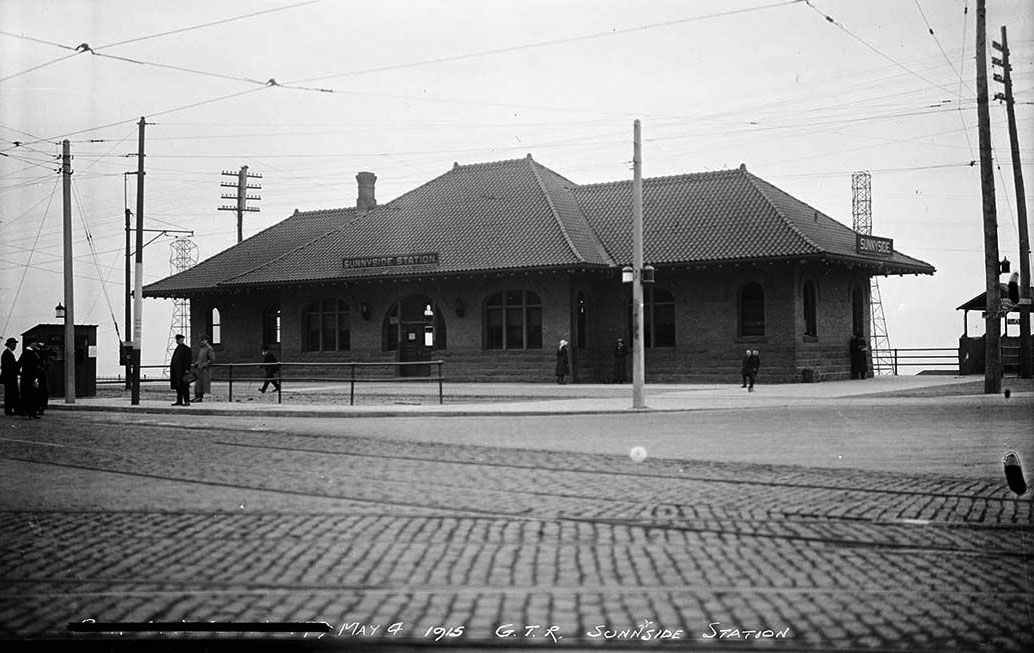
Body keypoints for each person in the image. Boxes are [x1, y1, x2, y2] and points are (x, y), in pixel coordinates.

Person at [17, 337, 42, 419]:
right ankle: (29, 412)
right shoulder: (28, 353)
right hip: (29, 377)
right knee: (29, 395)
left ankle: (31, 412)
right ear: (31, 343)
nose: (36, 344)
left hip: (29, 376)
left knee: (32, 395)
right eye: (34, 342)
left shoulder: (32, 352)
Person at [169, 334, 192, 406]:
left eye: (180, 340)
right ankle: (179, 401)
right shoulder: (177, 349)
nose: (179, 341)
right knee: (178, 386)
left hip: (183, 371)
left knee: (184, 386)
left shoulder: (186, 349)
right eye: (178, 340)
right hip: (176, 371)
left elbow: (188, 360)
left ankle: (187, 401)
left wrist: (187, 370)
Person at [193, 334, 215, 402]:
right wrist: (197, 363)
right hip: (199, 369)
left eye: (203, 340)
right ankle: (197, 396)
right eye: (201, 340)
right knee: (198, 384)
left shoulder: (209, 348)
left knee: (202, 384)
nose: (202, 342)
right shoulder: (202, 348)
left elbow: (212, 359)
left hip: (205, 370)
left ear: (206, 340)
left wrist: (205, 364)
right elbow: (200, 358)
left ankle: (200, 397)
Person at [2, 337, 19, 416]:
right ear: (9, 345)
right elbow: (8, 366)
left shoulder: (8, 353)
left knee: (11, 393)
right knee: (10, 393)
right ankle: (9, 410)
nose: (14, 347)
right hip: (9, 377)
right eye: (13, 345)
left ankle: (10, 409)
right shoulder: (7, 354)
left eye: (15, 345)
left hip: (10, 377)